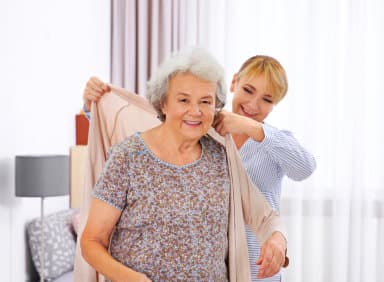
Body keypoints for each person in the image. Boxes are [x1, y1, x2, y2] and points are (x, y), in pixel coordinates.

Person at [83, 54, 316, 281]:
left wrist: (278, 239)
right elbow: (136, 121)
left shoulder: (222, 152)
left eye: (205, 101)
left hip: (256, 269)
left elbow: (271, 210)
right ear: (164, 103)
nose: (195, 110)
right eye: (184, 100)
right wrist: (94, 105)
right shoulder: (130, 155)